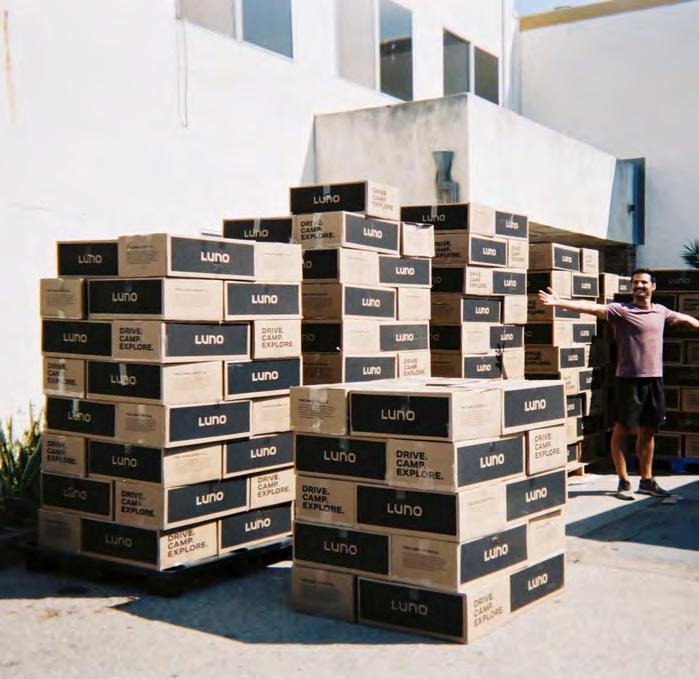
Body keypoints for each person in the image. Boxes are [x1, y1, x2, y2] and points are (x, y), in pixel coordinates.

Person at [538, 268, 699, 498]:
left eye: (643, 282)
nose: (639, 286)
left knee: (648, 431)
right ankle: (623, 482)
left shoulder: (661, 311)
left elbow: (685, 319)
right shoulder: (621, 311)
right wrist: (559, 302)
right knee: (622, 430)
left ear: (653, 286)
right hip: (628, 381)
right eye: (635, 282)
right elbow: (591, 307)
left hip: (654, 380)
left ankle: (646, 481)